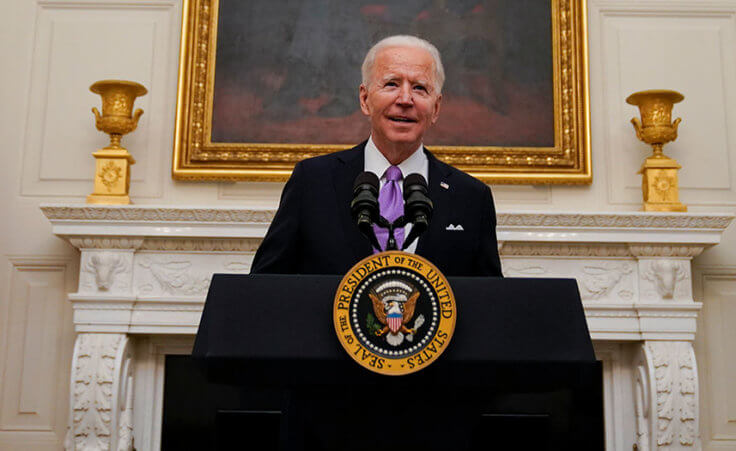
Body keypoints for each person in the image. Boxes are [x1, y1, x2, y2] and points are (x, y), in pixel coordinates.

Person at [250, 35, 503, 277]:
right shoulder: (312, 181)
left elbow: (489, 303)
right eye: (391, 84)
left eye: (419, 88)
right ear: (364, 100)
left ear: (435, 108)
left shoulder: (471, 196)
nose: (405, 99)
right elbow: (265, 286)